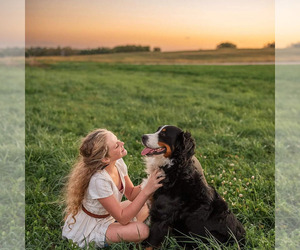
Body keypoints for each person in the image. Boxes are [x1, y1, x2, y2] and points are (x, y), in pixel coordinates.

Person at [62, 128, 164, 248]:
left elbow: (131, 193)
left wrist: (150, 182)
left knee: (147, 204)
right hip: (92, 227)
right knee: (142, 231)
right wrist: (147, 190)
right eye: (116, 145)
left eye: (118, 140)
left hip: (108, 215)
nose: (122, 143)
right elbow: (122, 218)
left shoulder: (118, 162)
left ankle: (124, 231)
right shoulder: (99, 180)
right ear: (105, 159)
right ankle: (124, 232)